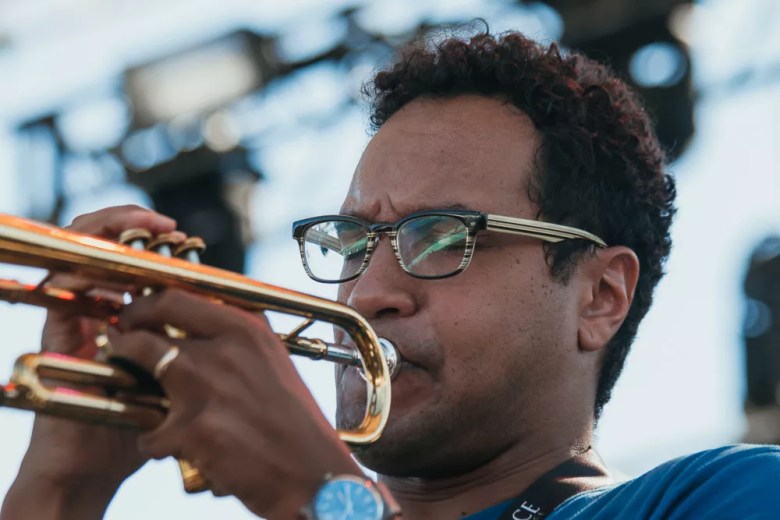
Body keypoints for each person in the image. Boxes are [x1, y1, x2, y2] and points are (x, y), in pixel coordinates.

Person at [2, 28, 779, 520]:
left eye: (441, 238)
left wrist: (320, 498)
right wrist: (63, 486)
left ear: (600, 296)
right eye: (352, 240)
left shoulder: (729, 496)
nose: (369, 292)